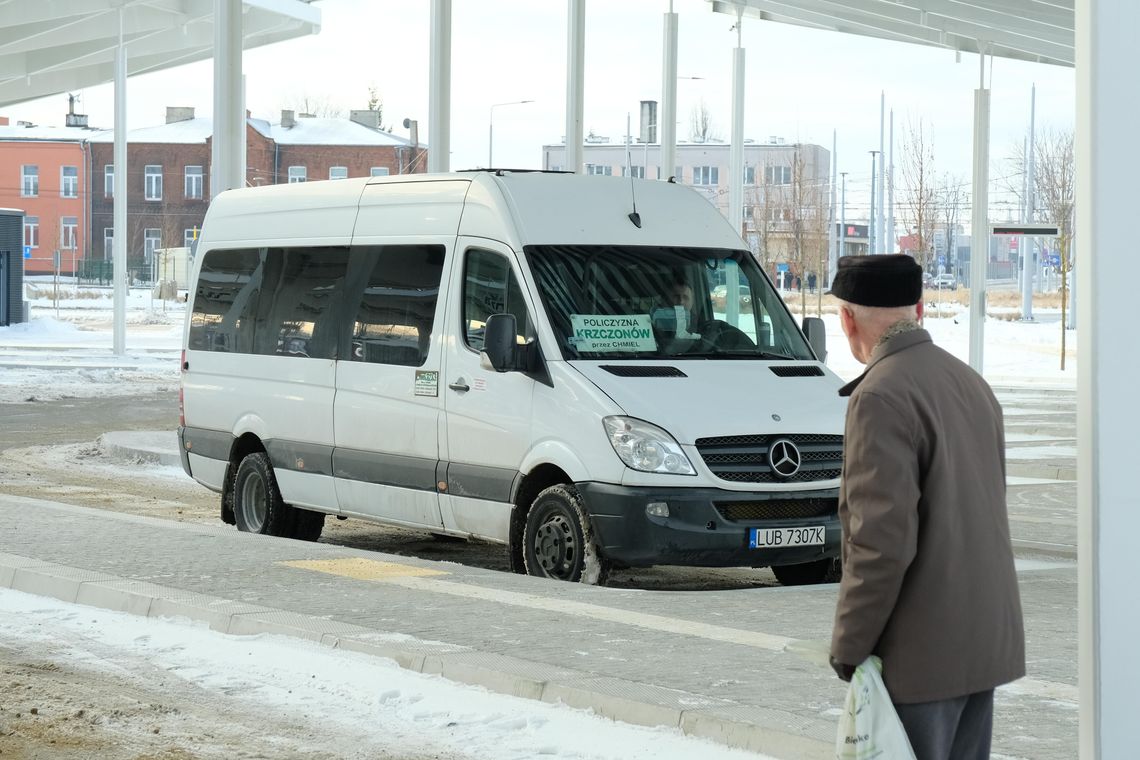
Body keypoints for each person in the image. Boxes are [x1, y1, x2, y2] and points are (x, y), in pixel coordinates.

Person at [826, 254, 1024, 760]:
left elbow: (880, 542)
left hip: (918, 655)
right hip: (981, 643)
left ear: (847, 319)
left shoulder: (880, 396)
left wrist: (850, 643)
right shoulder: (970, 383)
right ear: (918, 309)